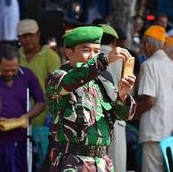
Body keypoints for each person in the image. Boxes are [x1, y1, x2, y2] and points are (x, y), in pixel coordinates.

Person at [45, 26, 136, 171]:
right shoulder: (57, 77)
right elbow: (69, 82)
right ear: (69, 52)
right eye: (86, 50)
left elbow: (123, 115)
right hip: (73, 162)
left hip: (101, 162)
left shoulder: (104, 81)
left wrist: (122, 96)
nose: (93, 56)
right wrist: (104, 60)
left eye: (97, 51)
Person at [0, 45, 45, 172]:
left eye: (13, 69)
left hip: (20, 140)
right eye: (5, 70)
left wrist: (27, 116)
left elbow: (41, 103)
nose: (10, 73)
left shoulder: (27, 75)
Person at [136, 25, 173, 172]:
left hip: (154, 132)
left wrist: (132, 112)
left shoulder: (148, 65)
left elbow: (150, 101)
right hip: (171, 130)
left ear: (147, 45)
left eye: (143, 44)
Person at [17, 19, 61, 126]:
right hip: (18, 119)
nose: (27, 39)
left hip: (44, 119)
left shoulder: (51, 57)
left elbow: (57, 89)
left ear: (38, 35)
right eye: (23, 36)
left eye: (31, 35)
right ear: (18, 38)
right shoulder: (15, 56)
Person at [99, 23, 127, 172]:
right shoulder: (122, 58)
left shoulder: (89, 58)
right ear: (114, 42)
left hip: (95, 121)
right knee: (117, 165)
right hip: (116, 119)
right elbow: (128, 93)